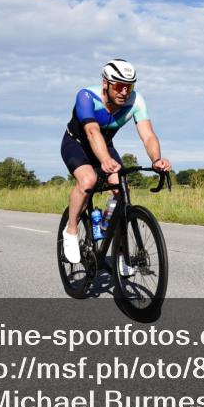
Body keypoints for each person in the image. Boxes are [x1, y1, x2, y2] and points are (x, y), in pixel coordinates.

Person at [60, 59, 171, 265]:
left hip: (105, 145)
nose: (124, 92)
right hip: (77, 144)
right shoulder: (86, 96)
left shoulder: (136, 101)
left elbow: (147, 135)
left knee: (122, 189)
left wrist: (156, 159)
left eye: (129, 87)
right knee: (88, 181)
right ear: (105, 83)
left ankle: (118, 248)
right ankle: (72, 229)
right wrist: (104, 160)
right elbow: (92, 131)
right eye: (119, 86)